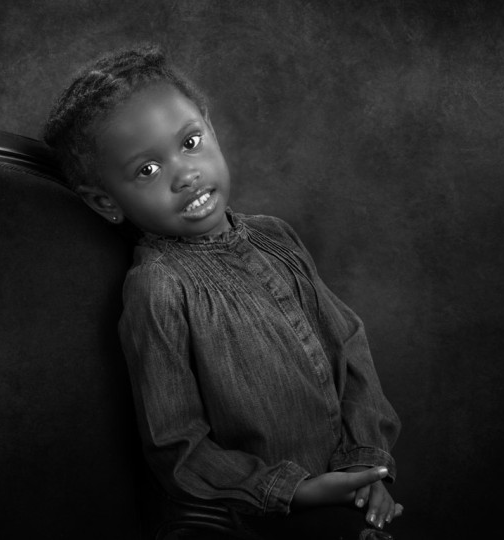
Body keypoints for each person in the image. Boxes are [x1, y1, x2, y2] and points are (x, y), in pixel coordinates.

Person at [43, 44, 403, 539]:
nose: (185, 174)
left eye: (190, 142)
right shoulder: (159, 288)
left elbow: (349, 343)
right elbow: (177, 445)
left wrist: (366, 465)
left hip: (349, 501)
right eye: (148, 171)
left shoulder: (276, 235)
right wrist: (294, 492)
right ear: (106, 202)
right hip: (256, 521)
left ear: (210, 128)